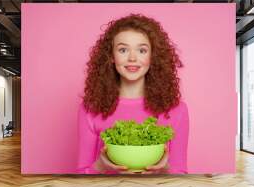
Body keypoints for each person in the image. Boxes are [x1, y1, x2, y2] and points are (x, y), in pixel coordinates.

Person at [77, 14, 189, 174]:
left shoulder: (177, 110)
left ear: (153, 57)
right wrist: (100, 166)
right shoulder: (90, 109)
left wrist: (164, 169)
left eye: (142, 50)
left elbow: (180, 173)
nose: (132, 58)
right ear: (111, 57)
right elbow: (81, 174)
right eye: (123, 49)